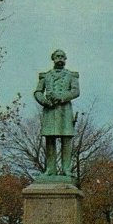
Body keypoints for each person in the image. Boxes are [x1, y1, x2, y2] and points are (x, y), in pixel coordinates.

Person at [34, 49, 79, 177]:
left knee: (66, 139)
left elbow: (76, 91)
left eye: (62, 57)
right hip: (50, 110)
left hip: (65, 111)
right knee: (50, 139)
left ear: (65, 59)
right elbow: (38, 91)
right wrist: (45, 101)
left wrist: (62, 97)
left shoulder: (71, 75)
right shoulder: (46, 75)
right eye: (57, 57)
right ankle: (50, 169)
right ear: (53, 59)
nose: (60, 59)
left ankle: (66, 169)